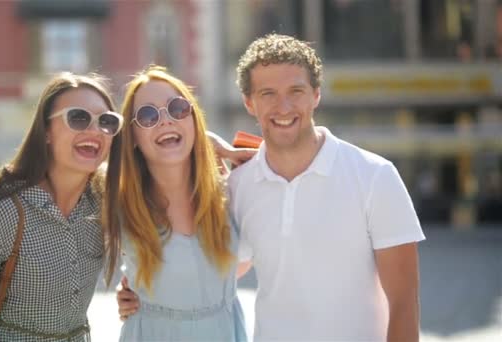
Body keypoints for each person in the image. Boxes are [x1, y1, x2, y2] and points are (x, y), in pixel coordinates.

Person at [119, 34, 425, 342]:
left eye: (296, 91)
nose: (284, 106)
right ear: (249, 102)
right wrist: (142, 292)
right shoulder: (236, 187)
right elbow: (213, 272)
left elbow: (404, 302)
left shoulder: (375, 177)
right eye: (268, 94)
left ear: (316, 95)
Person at [0, 72, 123, 341]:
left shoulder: (104, 203)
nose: (95, 130)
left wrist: (133, 294)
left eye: (107, 122)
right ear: (46, 131)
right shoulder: (0, 215)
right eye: (78, 118)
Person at [103, 65, 247, 341]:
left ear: (194, 118)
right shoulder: (119, 202)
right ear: (132, 136)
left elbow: (237, 264)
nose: (165, 120)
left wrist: (216, 146)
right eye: (147, 115)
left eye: (178, 108)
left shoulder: (232, 190)